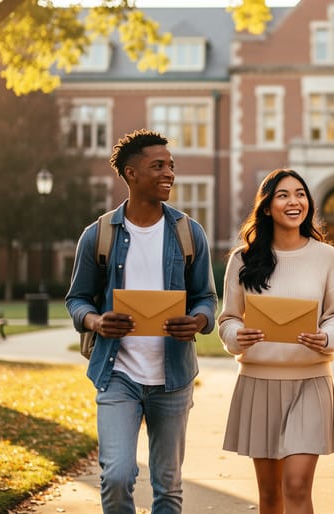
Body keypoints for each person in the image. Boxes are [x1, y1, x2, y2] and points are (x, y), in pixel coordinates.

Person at [66, 129, 217, 514]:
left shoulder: (188, 232)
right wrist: (97, 322)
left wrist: (198, 321)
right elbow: (77, 299)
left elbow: (206, 298)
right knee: (116, 475)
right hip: (118, 375)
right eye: (158, 166)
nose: (169, 173)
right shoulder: (98, 235)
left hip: (173, 378)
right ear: (131, 174)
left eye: (171, 166)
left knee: (168, 486)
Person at [218, 168, 334, 514]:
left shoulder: (327, 257)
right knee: (271, 495)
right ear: (267, 206)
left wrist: (327, 337)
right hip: (259, 383)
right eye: (284, 195)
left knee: (296, 486)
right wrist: (236, 336)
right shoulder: (242, 260)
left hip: (311, 381)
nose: (295, 201)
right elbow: (228, 318)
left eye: (301, 194)